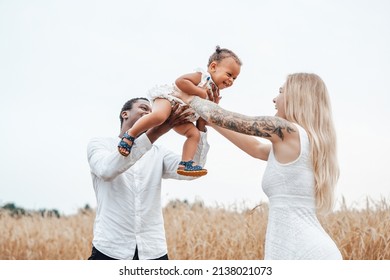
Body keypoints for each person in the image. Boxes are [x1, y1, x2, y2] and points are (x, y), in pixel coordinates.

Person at [175, 73, 342, 260]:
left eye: (281, 91)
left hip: (305, 252)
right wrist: (211, 119)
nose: (274, 98)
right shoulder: (302, 140)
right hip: (310, 250)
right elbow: (255, 148)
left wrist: (187, 97)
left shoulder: (284, 129)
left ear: (297, 97)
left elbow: (237, 121)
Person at [86, 97, 210, 260]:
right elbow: (106, 171)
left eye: (153, 112)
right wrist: (155, 134)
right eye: (144, 108)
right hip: (110, 249)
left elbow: (192, 168)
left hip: (153, 250)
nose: (150, 114)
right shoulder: (100, 144)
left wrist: (200, 125)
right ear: (125, 114)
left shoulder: (159, 152)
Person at [118, 46, 242, 177]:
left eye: (234, 78)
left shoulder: (215, 94)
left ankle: (186, 162)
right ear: (213, 67)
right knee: (160, 116)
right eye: (229, 74)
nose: (231, 80)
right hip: (170, 100)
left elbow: (204, 117)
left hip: (184, 116)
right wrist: (200, 92)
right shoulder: (203, 78)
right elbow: (181, 82)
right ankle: (131, 135)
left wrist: (211, 110)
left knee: (194, 134)